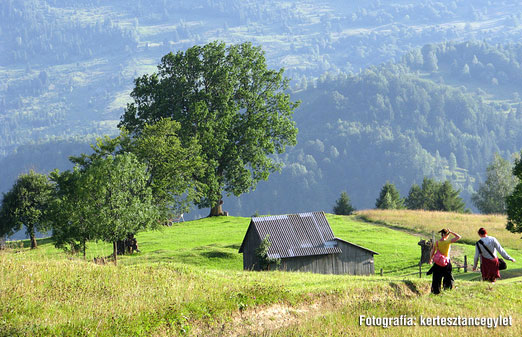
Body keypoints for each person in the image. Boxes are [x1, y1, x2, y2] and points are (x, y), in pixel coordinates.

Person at [428, 228, 461, 294]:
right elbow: (458, 237)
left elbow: (432, 251)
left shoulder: (437, 242)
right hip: (446, 262)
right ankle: (447, 289)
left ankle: (436, 291)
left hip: (437, 263)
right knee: (448, 277)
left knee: (436, 278)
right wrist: (451, 232)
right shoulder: (447, 242)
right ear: (447, 235)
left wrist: (430, 259)